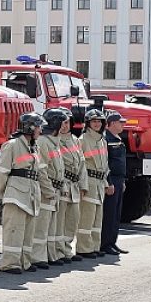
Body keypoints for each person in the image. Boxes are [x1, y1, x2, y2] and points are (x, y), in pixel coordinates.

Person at [0, 112, 44, 274]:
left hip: (30, 194)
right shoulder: (12, 145)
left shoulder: (34, 146)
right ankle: (10, 264)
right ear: (29, 127)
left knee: (28, 231)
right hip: (16, 195)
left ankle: (24, 261)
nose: (40, 130)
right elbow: (1, 173)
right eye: (38, 127)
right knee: (14, 230)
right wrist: (5, 194)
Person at [31, 108, 65, 269]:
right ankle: (37, 257)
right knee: (41, 226)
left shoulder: (54, 142)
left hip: (55, 189)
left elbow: (60, 168)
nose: (66, 126)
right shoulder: (44, 142)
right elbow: (42, 170)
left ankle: (49, 254)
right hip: (47, 189)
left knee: (50, 226)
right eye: (63, 123)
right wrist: (48, 190)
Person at [76, 109, 110, 259]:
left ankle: (94, 246)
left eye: (99, 121)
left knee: (97, 218)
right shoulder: (82, 140)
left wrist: (107, 183)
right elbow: (79, 165)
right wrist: (82, 185)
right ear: (88, 123)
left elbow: (105, 165)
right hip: (89, 181)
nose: (97, 124)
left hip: (100, 183)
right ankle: (84, 248)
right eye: (94, 121)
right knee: (86, 217)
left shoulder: (103, 141)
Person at [56, 108, 88, 264]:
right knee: (59, 220)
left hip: (75, 185)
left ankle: (67, 250)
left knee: (72, 220)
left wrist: (83, 186)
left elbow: (82, 164)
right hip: (63, 184)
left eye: (67, 122)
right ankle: (57, 251)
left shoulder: (75, 140)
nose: (64, 126)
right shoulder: (53, 140)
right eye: (62, 122)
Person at [100, 111, 128, 255]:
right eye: (119, 122)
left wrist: (123, 180)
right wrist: (108, 183)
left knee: (116, 213)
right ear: (111, 124)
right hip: (112, 180)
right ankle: (105, 243)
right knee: (109, 213)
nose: (122, 124)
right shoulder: (106, 139)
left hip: (119, 179)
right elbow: (106, 163)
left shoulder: (117, 138)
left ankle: (112, 242)